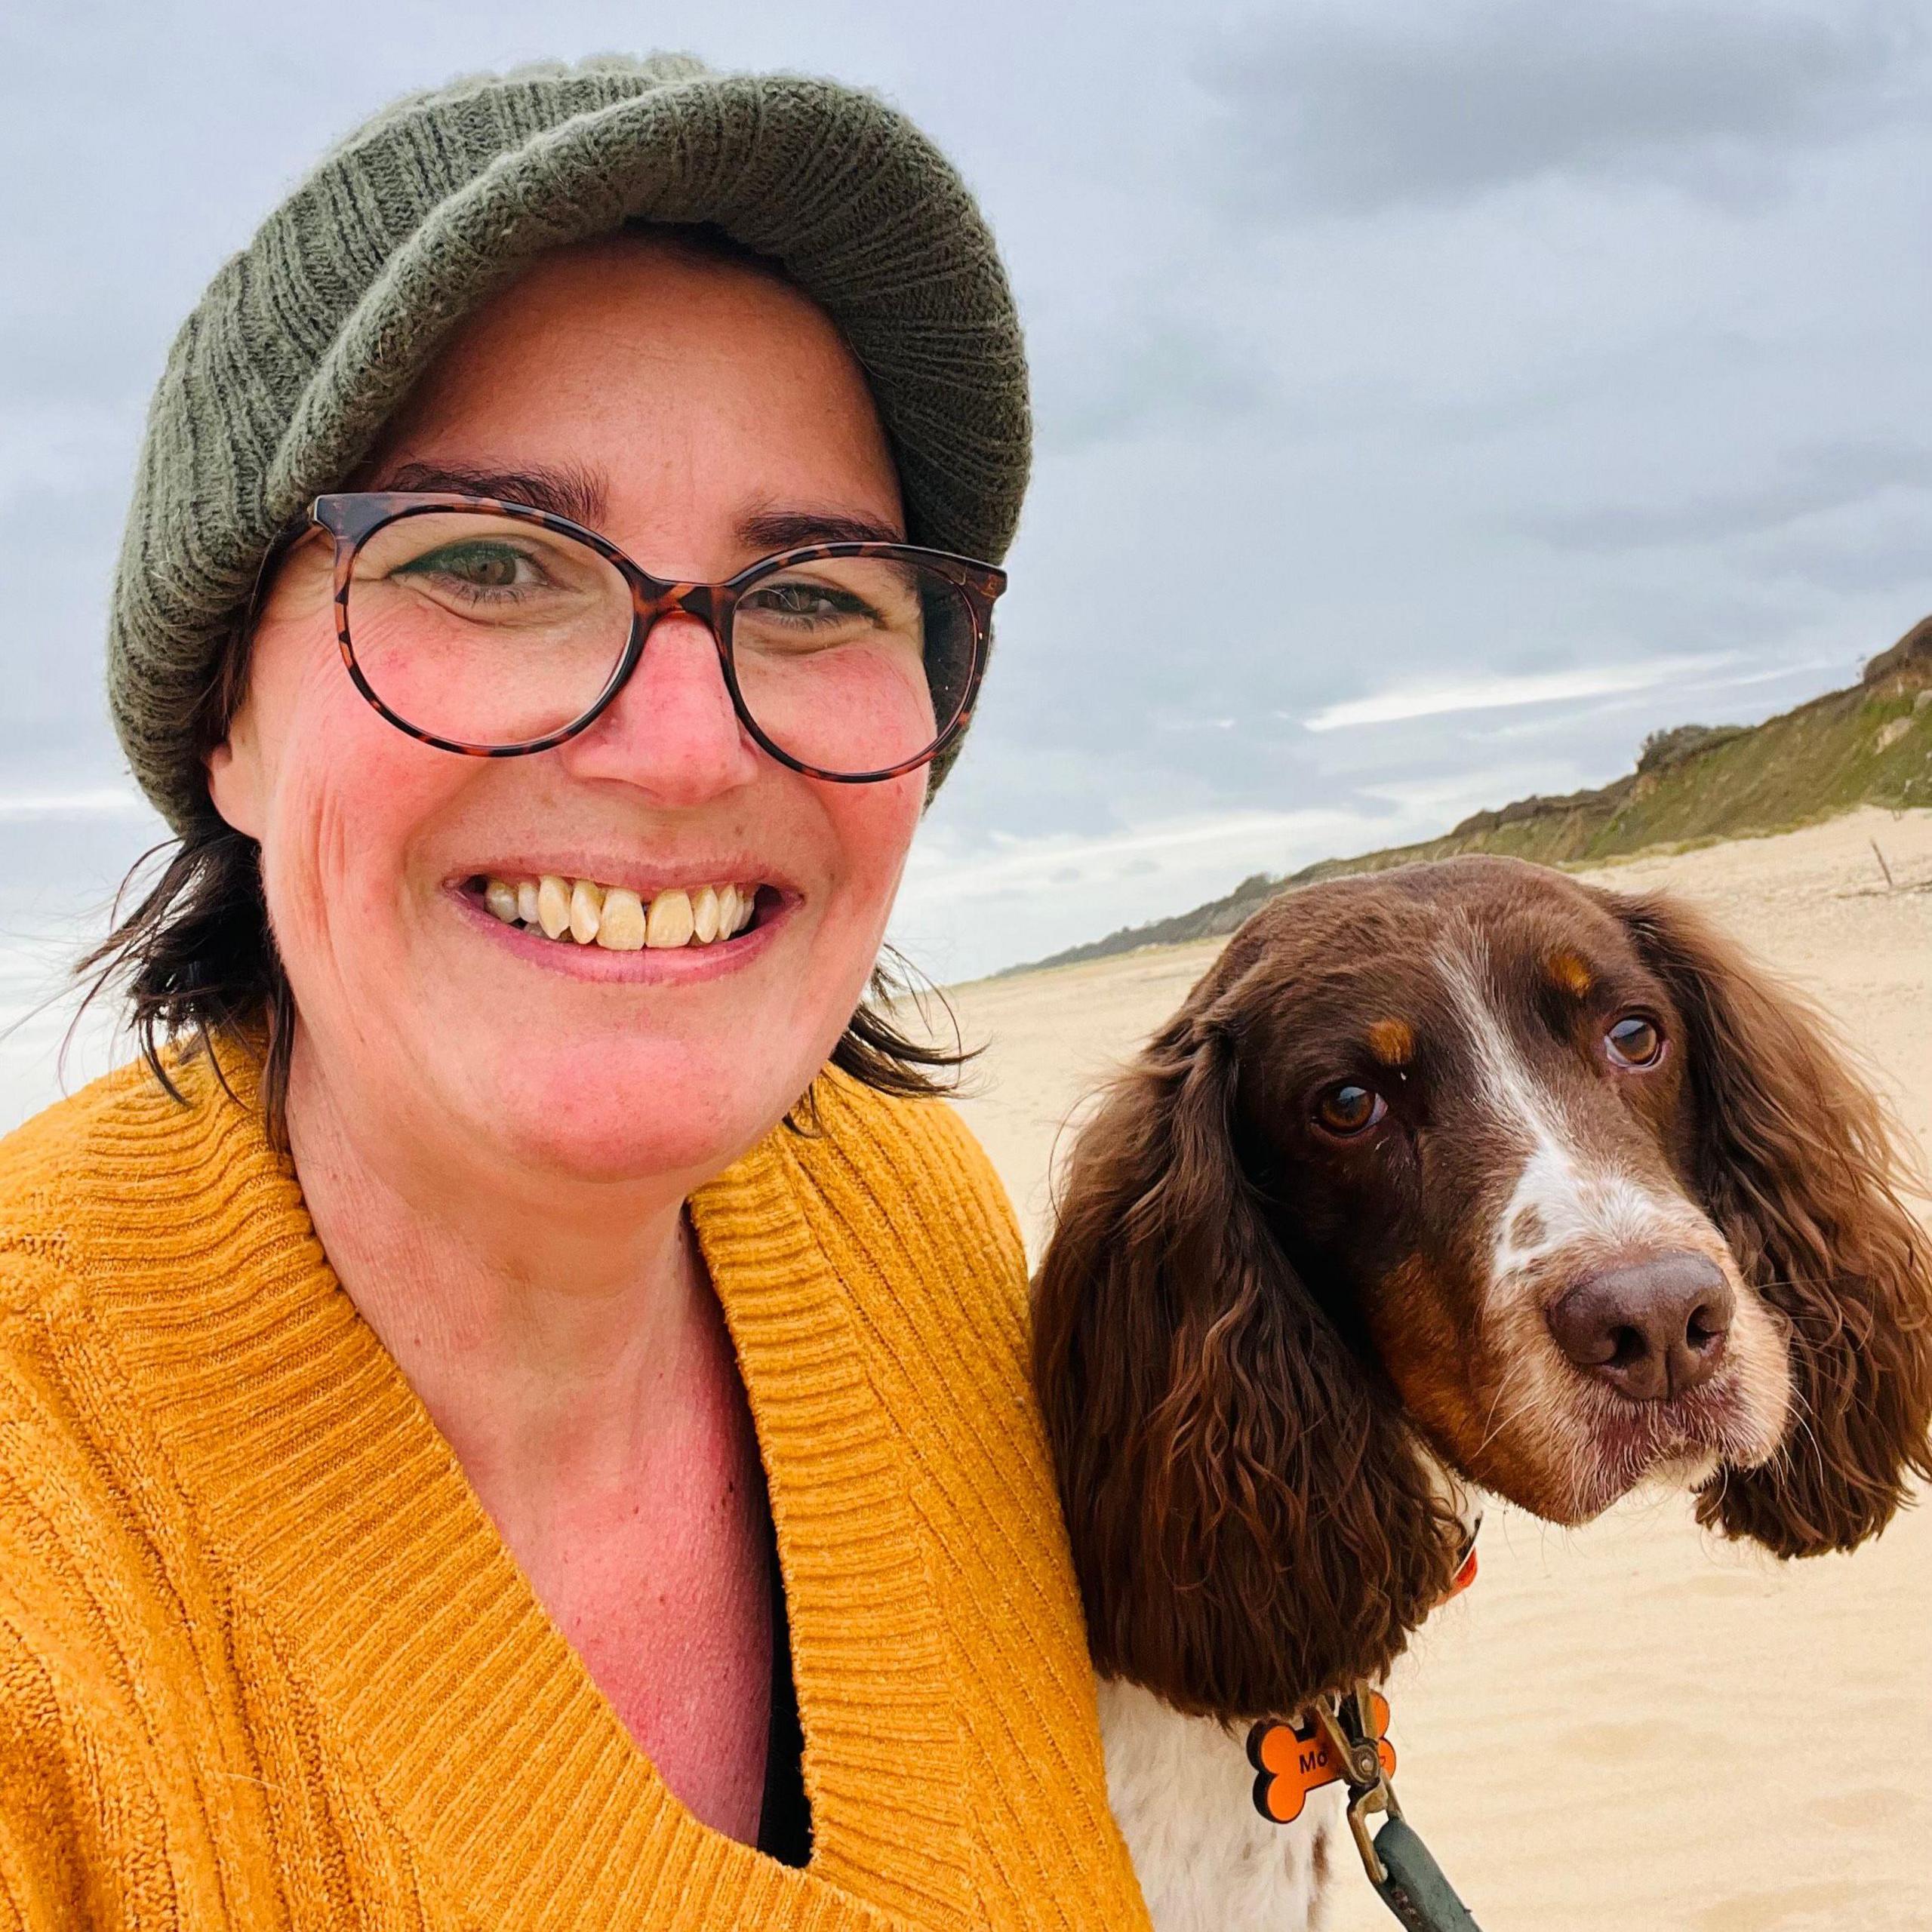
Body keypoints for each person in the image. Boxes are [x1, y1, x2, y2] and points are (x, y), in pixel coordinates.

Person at [0, 54, 1149, 1930]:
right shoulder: (47, 1557)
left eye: (814, 593)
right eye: (486, 561)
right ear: (224, 709)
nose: (683, 744)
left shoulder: (920, 1239)